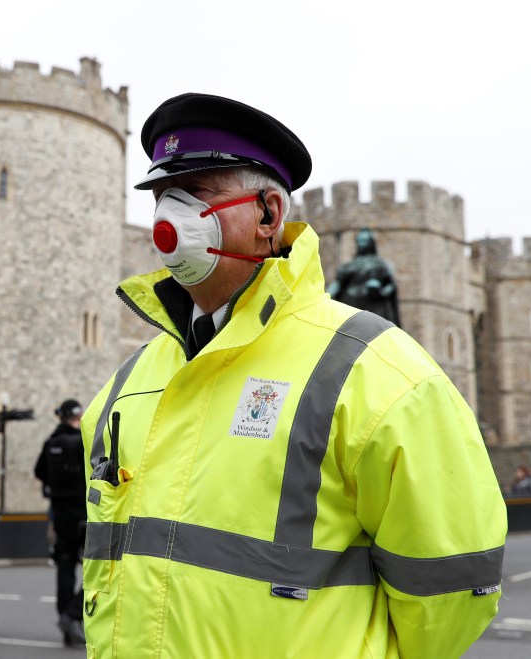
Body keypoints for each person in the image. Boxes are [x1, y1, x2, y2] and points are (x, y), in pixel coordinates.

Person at [80, 93, 507, 657]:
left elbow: (450, 592)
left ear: (268, 214)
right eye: (161, 196)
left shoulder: (379, 372)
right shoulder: (129, 380)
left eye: (195, 194)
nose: (168, 215)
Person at [34, 399, 87, 647]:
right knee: (99, 571)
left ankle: (67, 630)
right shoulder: (82, 442)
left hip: (60, 518)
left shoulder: (51, 443)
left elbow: (39, 472)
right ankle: (73, 615)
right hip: (84, 518)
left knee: (64, 572)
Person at [328, 227, 402, 327]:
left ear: (370, 243)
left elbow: (390, 286)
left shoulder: (380, 264)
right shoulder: (349, 265)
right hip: (351, 305)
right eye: (359, 241)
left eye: (364, 241)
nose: (360, 244)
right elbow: (337, 284)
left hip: (373, 308)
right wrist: (326, 298)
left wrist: (380, 291)